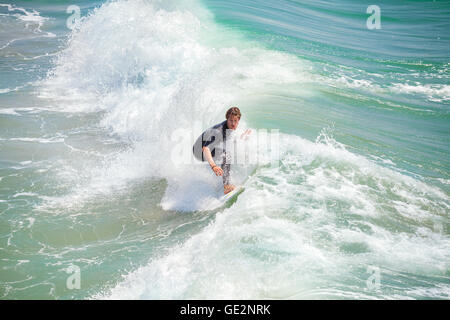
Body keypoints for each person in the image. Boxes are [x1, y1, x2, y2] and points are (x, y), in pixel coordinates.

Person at [192, 107, 250, 194]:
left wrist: (242, 137)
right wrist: (213, 166)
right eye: (231, 120)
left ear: (238, 120)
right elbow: (206, 148)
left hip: (206, 148)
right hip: (198, 151)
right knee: (226, 155)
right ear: (227, 119)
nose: (233, 123)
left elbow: (230, 139)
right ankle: (226, 186)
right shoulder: (218, 131)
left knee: (228, 149)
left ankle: (220, 180)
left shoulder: (230, 128)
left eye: (235, 121)